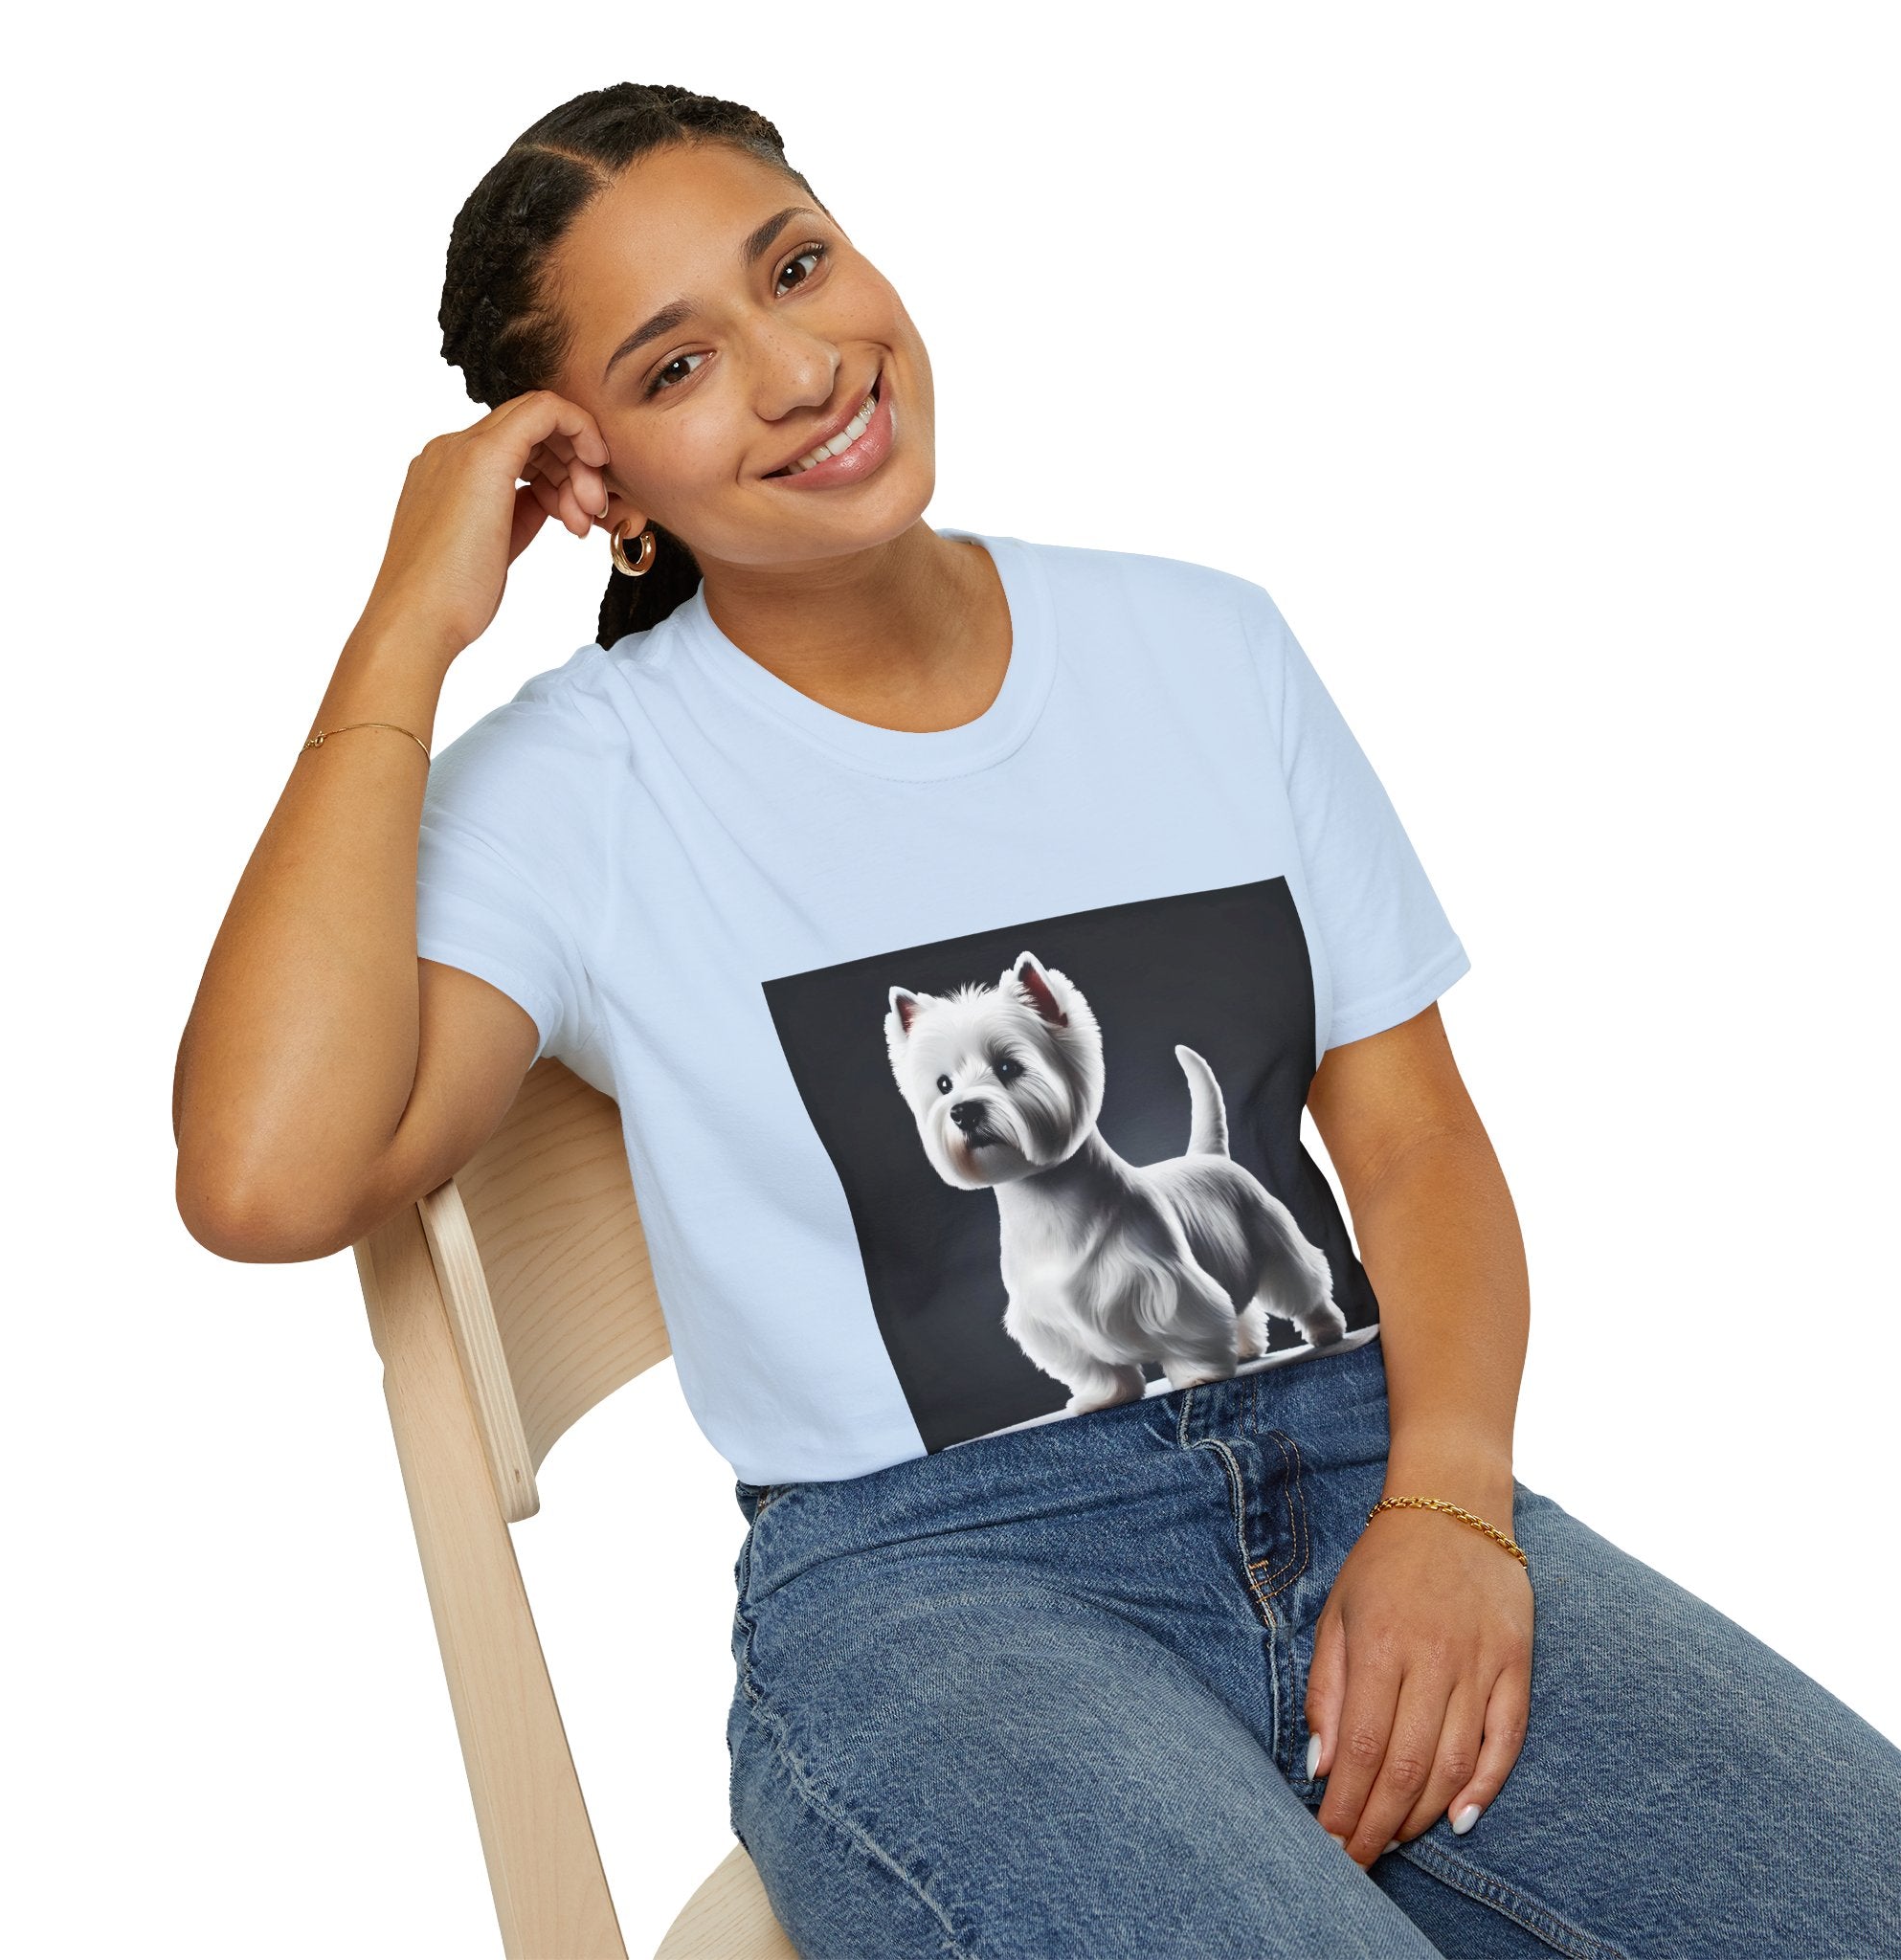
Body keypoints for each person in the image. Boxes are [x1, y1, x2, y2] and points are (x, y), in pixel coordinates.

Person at [172, 81, 1901, 1959]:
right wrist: (405, 627)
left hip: (1368, 1462)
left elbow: (1413, 1144)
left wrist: (1453, 1508)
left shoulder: (1208, 648)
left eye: (796, 268)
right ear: (600, 488)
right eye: (677, 366)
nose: (800, 370)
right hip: (941, 1589)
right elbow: (265, 1178)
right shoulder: (584, 787)